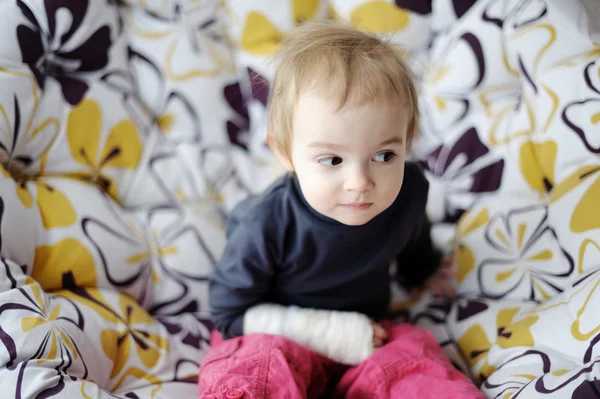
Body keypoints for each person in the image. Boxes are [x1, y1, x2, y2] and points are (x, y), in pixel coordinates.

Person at [198, 21, 483, 399]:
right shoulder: (264, 222)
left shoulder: (409, 191)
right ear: (285, 152)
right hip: (278, 331)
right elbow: (228, 312)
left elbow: (412, 236)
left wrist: (424, 269)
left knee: (415, 359)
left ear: (408, 141)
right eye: (332, 160)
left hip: (371, 333)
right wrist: (328, 333)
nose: (360, 182)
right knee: (255, 370)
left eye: (384, 155)